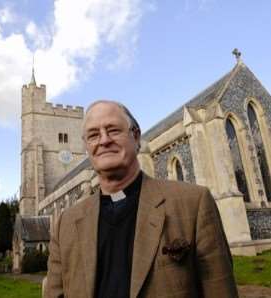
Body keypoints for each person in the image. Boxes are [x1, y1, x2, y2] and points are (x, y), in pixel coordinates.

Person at [44, 100, 238, 298]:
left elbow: (220, 289)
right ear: (87, 147)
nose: (104, 140)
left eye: (113, 130)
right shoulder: (65, 225)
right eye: (94, 135)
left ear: (136, 136)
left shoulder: (194, 203)